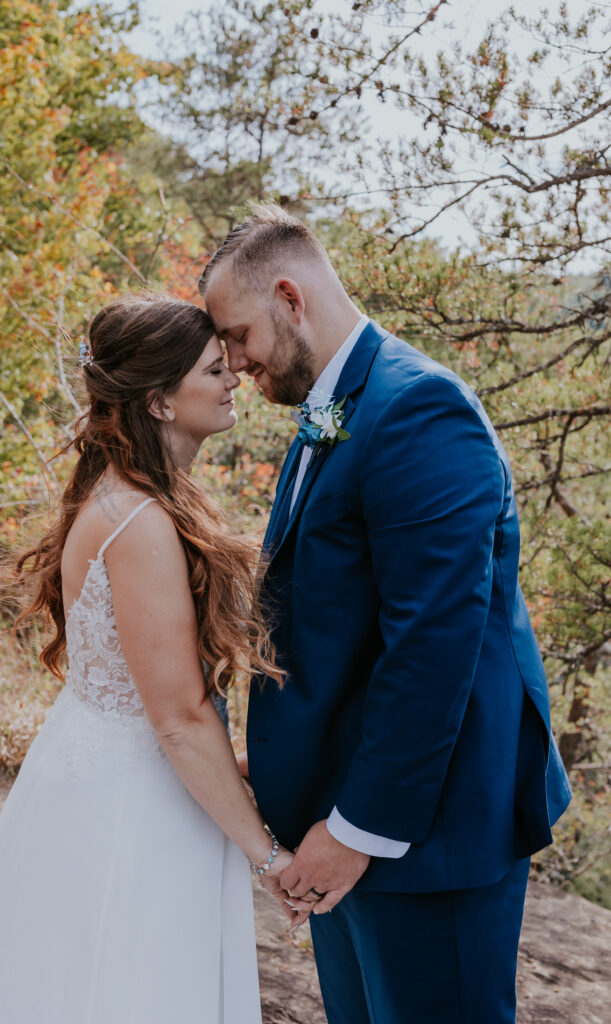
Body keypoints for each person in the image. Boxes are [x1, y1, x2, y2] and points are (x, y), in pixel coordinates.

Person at [199, 204, 573, 1024]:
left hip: (424, 834)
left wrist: (356, 830)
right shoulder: (327, 413)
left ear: (290, 299)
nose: (230, 363)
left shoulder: (418, 409)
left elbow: (433, 644)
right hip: (344, 819)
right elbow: (328, 621)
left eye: (235, 335)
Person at [0, 295, 306, 1024]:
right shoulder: (139, 522)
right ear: (160, 401)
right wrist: (268, 858)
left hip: (109, 771)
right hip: (133, 806)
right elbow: (180, 718)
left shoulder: (132, 499)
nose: (232, 379)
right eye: (211, 370)